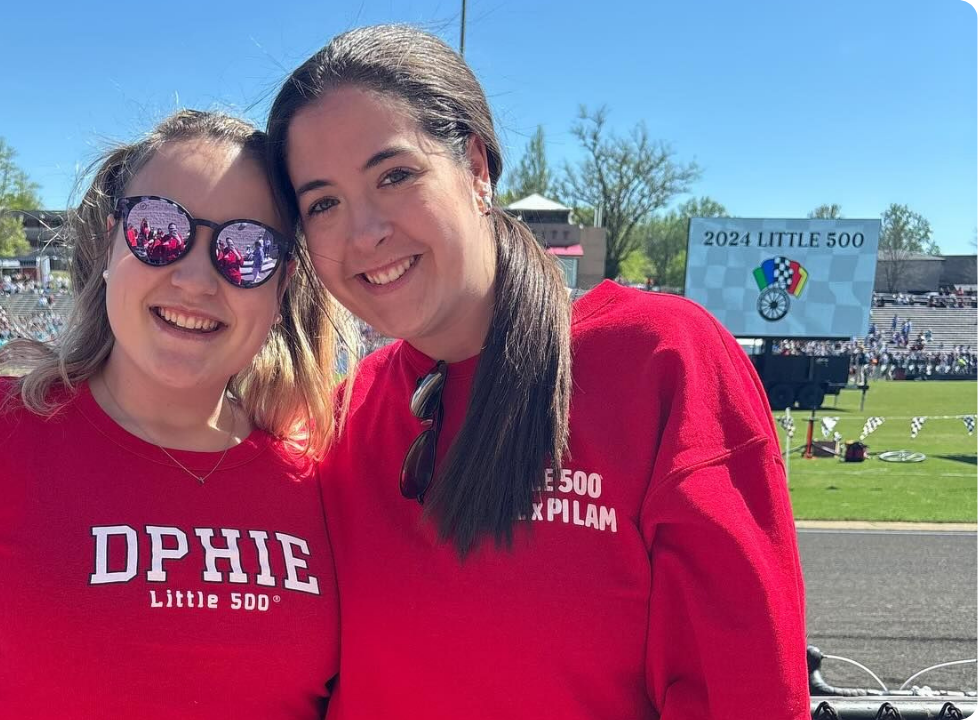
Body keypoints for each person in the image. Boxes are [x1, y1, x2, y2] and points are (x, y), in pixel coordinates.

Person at [266, 25, 809, 719]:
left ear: (476, 168)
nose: (363, 231)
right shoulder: (345, 417)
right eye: (323, 203)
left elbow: (746, 694)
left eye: (394, 175)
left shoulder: (659, 362)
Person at [0, 110, 349, 719]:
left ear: (282, 285)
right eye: (158, 229)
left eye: (246, 250)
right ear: (112, 242)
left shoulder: (328, 473)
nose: (195, 278)